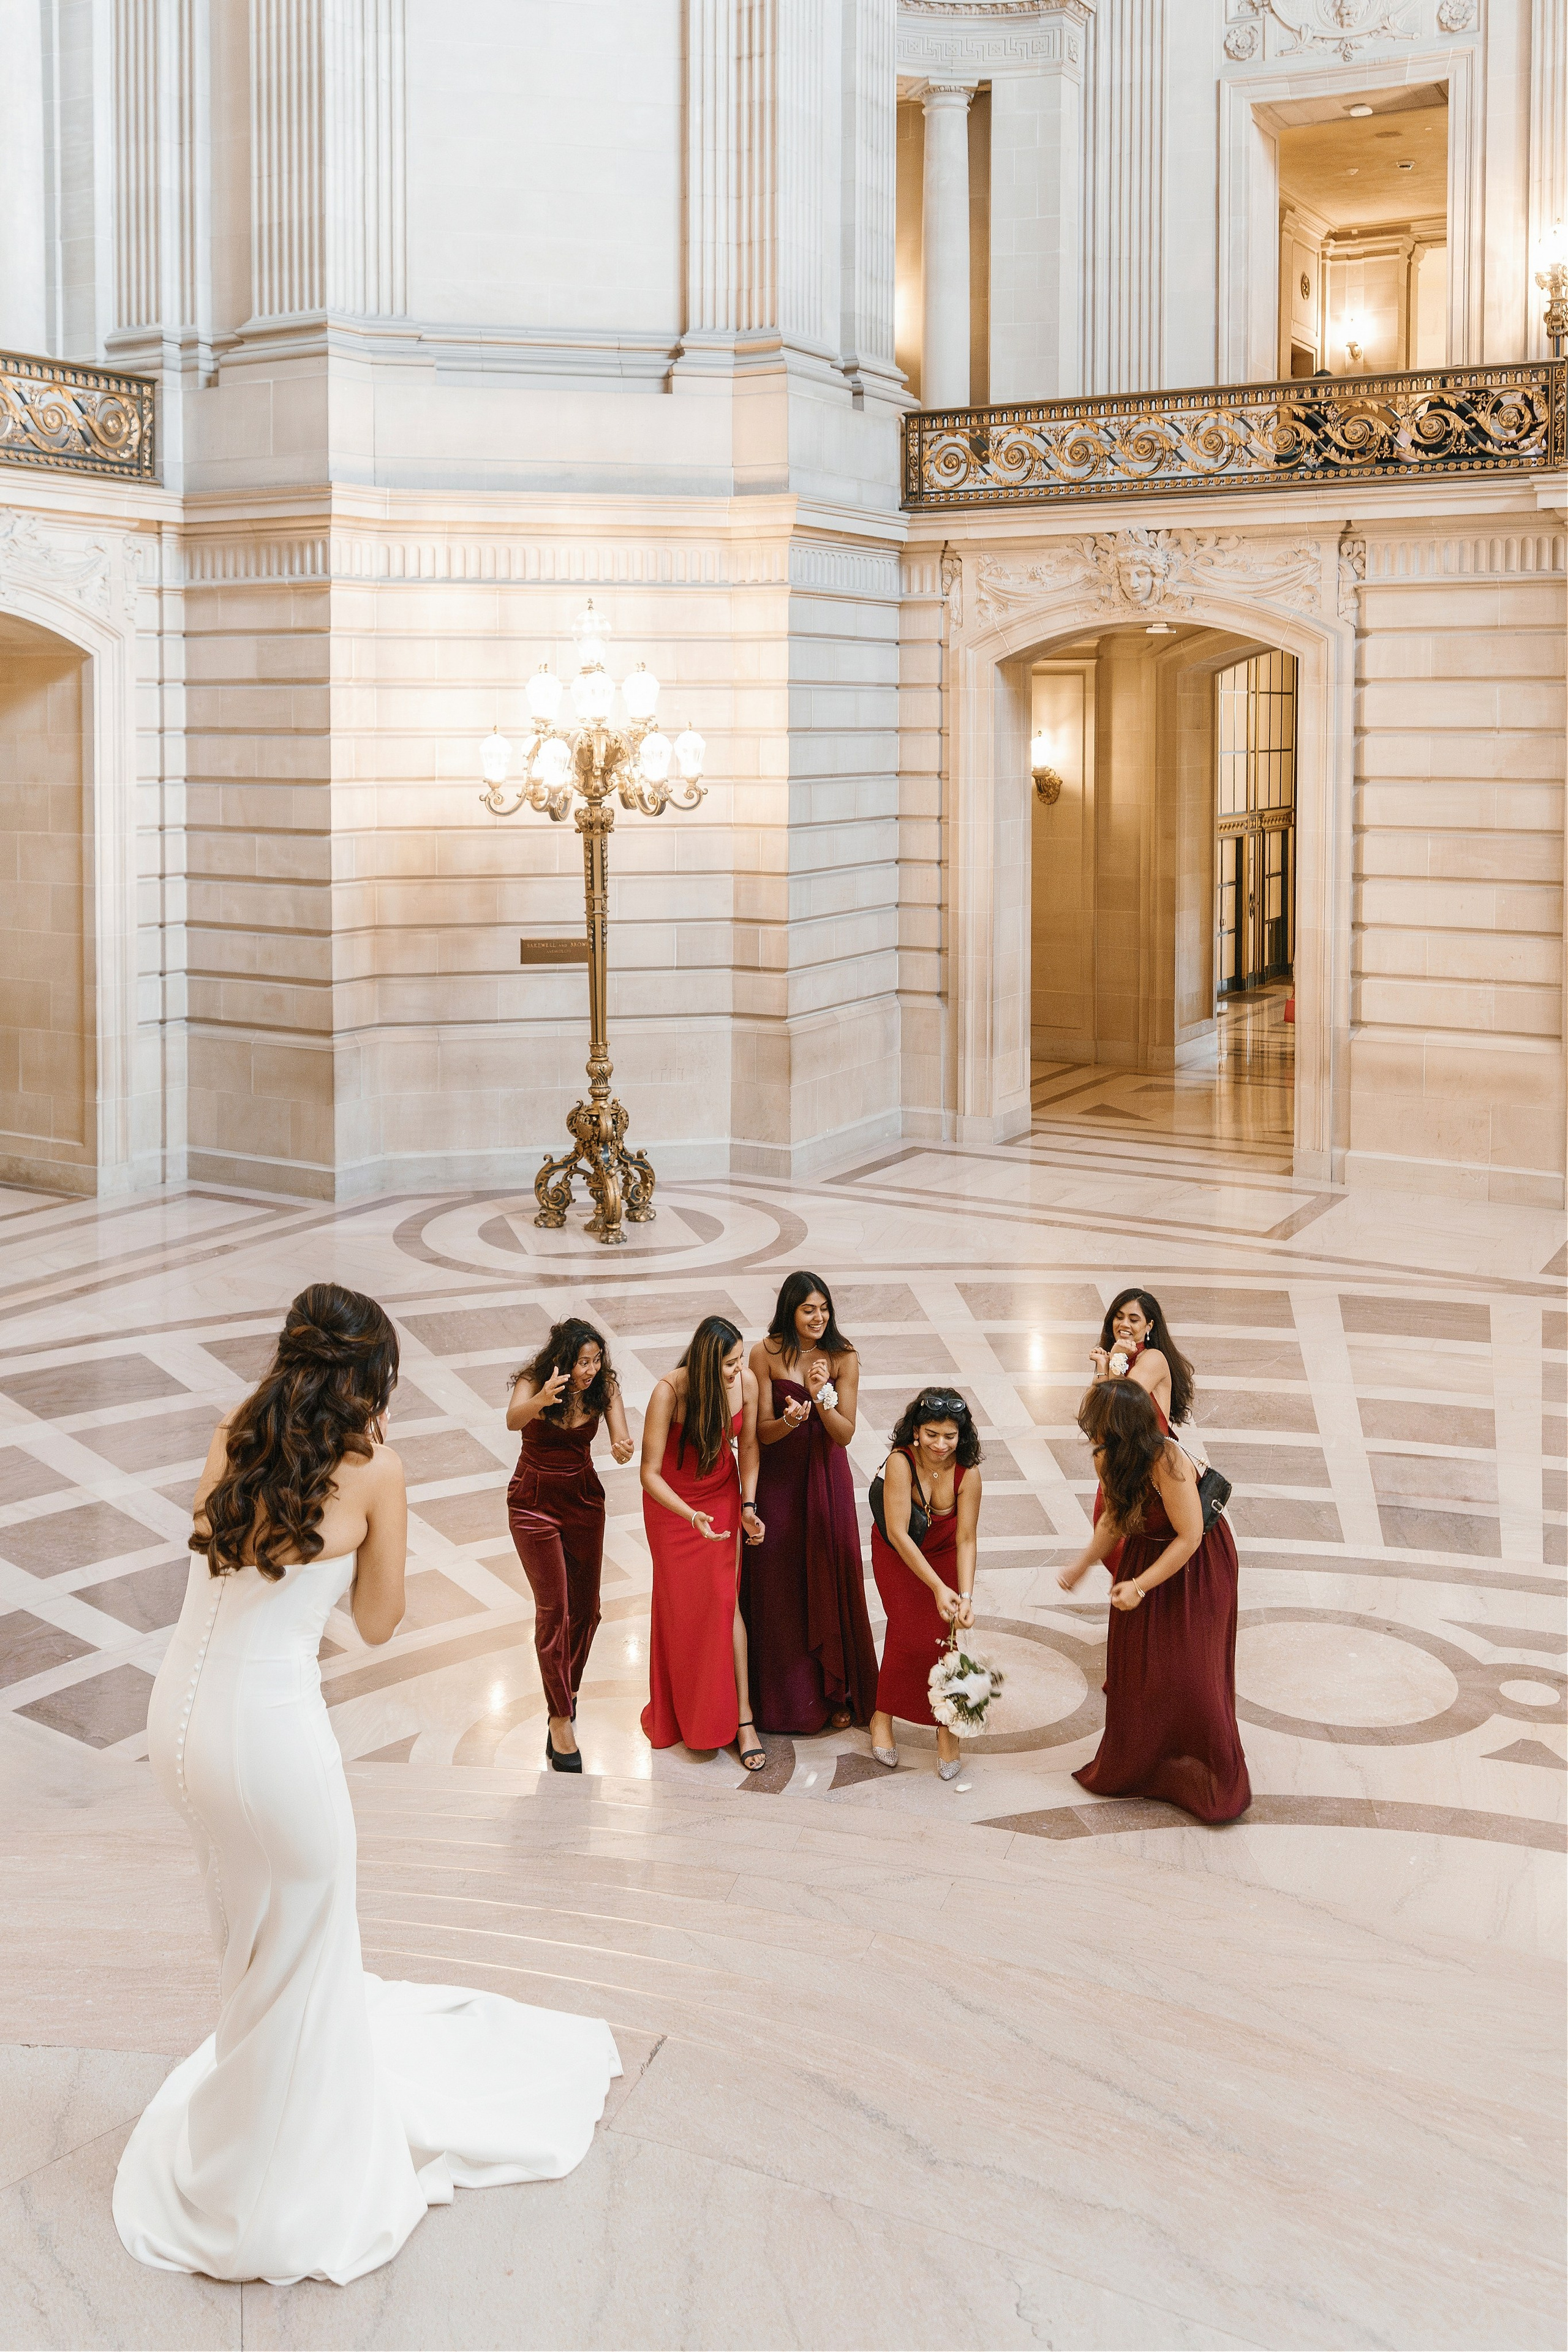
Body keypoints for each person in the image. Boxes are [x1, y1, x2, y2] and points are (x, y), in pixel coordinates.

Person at [113, 1283, 619, 2287]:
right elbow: (380, 1622)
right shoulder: (375, 1470)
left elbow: (233, 1559)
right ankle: (286, 2179)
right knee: (311, 1932)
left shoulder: (232, 1432)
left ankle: (246, 2118)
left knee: (249, 1930)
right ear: (372, 1379)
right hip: (269, 1740)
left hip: (177, 1729)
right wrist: (383, 1504)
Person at [1057, 1380, 1250, 1825]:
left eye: (1101, 1429)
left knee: (1194, 1674)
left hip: (1198, 1564)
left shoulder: (1167, 1460)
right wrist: (1083, 1564)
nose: (1093, 1437)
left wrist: (1139, 1586)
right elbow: (1113, 1516)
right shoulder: (1108, 1456)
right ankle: (1143, 1766)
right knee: (1143, 1669)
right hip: (1148, 1552)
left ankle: (1210, 1777)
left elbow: (1188, 1537)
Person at [743, 1272, 877, 1735]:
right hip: (779, 1482)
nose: (818, 1317)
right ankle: (781, 1699)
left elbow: (845, 1435)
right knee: (778, 1584)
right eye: (808, 1309)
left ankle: (834, 1691)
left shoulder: (844, 1356)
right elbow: (760, 1432)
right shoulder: (764, 1353)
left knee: (826, 1574)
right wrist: (787, 1421)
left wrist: (821, 1397)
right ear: (790, 1311)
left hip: (825, 1480)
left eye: (823, 1308)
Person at [639, 1314, 767, 1771]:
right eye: (730, 1364)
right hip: (675, 1509)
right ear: (707, 1363)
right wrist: (690, 1515)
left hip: (722, 1497)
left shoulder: (747, 1383)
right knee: (684, 1609)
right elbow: (649, 1473)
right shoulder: (669, 1392)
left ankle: (744, 1719)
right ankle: (683, 1713)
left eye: (739, 1360)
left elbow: (749, 1447)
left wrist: (748, 1505)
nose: (739, 1370)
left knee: (722, 1601)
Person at [506, 1318, 634, 1773]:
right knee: (552, 1609)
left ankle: (568, 1691)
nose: (591, 1370)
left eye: (597, 1360)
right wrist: (541, 1400)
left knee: (588, 1610)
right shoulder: (533, 1382)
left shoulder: (604, 1389)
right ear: (563, 1358)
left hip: (582, 1498)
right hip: (534, 1500)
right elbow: (512, 1420)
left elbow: (621, 1436)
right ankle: (560, 1720)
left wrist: (622, 1446)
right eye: (583, 1361)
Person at [867, 1387, 983, 1782]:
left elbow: (967, 1538)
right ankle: (881, 1717)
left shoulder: (970, 1475)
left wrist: (965, 1595)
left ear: (961, 1435)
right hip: (898, 1554)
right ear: (916, 1432)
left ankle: (946, 1729)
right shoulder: (900, 1462)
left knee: (943, 1640)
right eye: (932, 1434)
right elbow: (898, 1534)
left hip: (945, 1552)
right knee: (909, 1633)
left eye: (950, 1435)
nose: (940, 1444)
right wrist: (937, 1588)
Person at [1085, 1287, 1196, 1438]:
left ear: (1149, 1326)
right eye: (1119, 1317)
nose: (1124, 1324)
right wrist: (1103, 1365)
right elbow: (1095, 1418)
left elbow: (1122, 1409)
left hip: (1150, 1454)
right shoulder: (1115, 1358)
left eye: (1134, 1320)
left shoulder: (1153, 1358)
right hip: (1118, 1451)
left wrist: (1117, 1358)